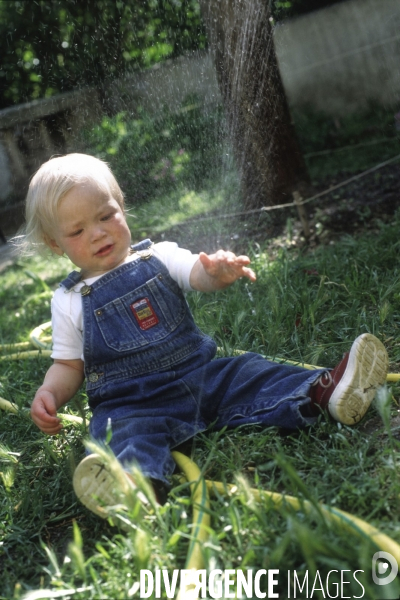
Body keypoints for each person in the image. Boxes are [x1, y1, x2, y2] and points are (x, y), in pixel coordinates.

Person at [26, 153, 388, 518]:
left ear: (121, 206)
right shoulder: (69, 300)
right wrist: (50, 393)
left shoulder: (159, 256)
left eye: (106, 216)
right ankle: (133, 486)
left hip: (201, 378)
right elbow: (68, 365)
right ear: (55, 244)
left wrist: (215, 271)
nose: (98, 232)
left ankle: (323, 391)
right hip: (132, 406)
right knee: (120, 436)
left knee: (249, 372)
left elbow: (196, 274)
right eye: (78, 231)